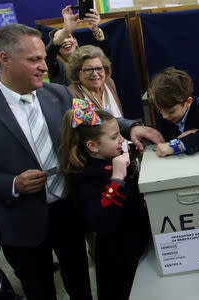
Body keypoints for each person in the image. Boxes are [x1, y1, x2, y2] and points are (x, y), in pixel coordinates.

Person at [0, 23, 163, 300]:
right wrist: (11, 183)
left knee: (80, 284)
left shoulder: (57, 95)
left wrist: (131, 127)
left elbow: (99, 121)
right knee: (40, 291)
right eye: (34, 60)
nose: (44, 67)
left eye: (44, 59)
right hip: (20, 223)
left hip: (68, 215)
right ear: (5, 59)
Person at [59, 100, 149, 300]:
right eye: (115, 137)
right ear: (92, 146)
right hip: (118, 254)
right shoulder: (85, 176)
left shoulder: (112, 157)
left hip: (138, 238)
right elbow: (101, 220)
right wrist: (117, 179)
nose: (122, 140)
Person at [148, 67, 199, 157]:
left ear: (188, 102)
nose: (164, 116)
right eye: (160, 110)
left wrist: (176, 146)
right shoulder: (164, 110)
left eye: (171, 112)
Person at [46, 5, 109, 86]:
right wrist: (66, 31)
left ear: (75, 41)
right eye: (61, 39)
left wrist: (95, 29)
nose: (65, 41)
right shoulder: (55, 65)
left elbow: (105, 53)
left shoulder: (88, 57)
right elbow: (48, 54)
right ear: (57, 48)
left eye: (68, 36)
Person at [67, 45, 123, 117]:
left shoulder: (109, 83)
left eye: (99, 68)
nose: (95, 74)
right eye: (88, 69)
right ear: (76, 72)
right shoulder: (72, 93)